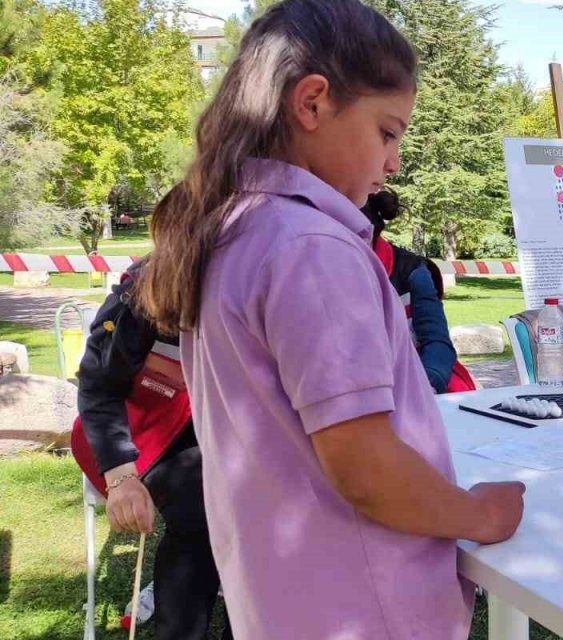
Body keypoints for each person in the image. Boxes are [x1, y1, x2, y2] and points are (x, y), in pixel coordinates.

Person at [135, 1, 524, 637]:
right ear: (312, 103)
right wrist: (481, 515)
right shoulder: (312, 248)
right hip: (365, 605)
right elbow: (364, 466)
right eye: (387, 132)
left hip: (286, 598)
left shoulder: (232, 229)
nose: (394, 162)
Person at [74, 257, 230, 640]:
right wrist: (121, 477)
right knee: (202, 515)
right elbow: (98, 386)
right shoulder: (149, 285)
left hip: (227, 432)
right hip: (145, 432)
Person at [361, 189, 462, 394]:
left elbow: (437, 341)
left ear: (370, 234)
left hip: (419, 382)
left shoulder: (412, 270)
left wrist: (426, 384)